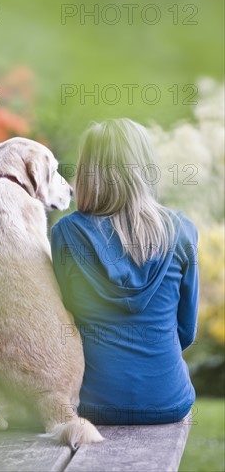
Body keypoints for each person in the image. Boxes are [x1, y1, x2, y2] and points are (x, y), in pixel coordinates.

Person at [51, 119, 198, 425]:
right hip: (169, 401)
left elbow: (65, 320)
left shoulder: (67, 233)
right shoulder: (182, 231)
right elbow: (185, 331)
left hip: (92, 402)